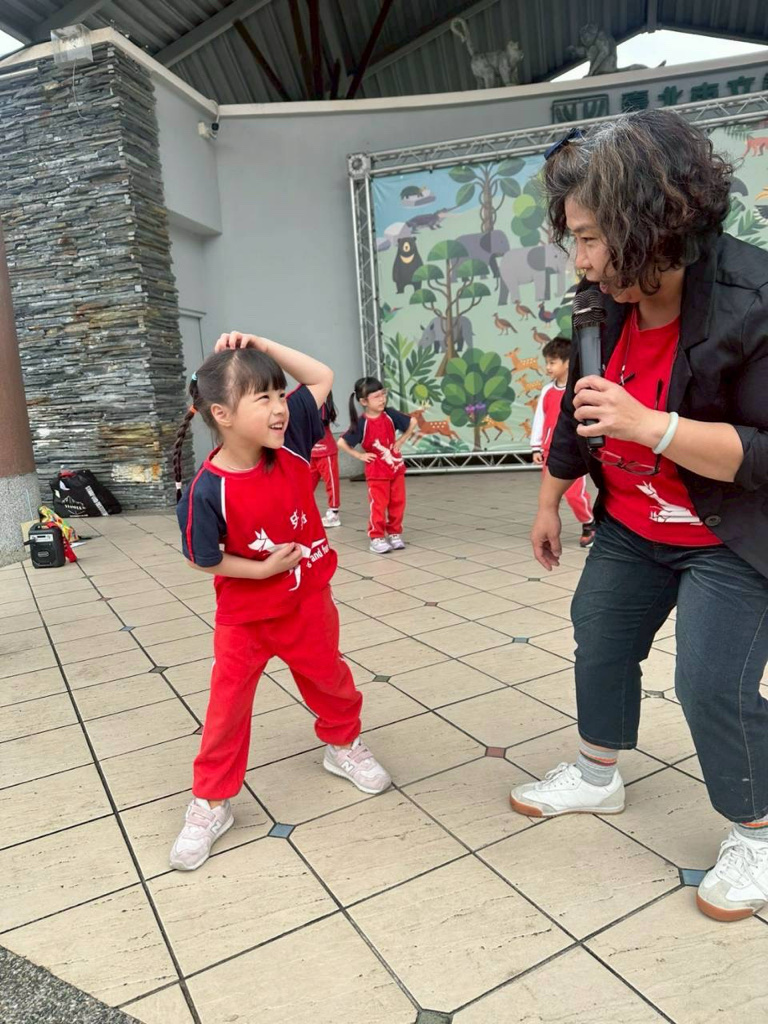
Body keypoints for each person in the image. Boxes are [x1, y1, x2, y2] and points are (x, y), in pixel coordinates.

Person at [510, 109, 768, 922]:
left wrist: (651, 426)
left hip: (728, 532)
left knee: (710, 681)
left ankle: (759, 832)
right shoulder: (604, 298)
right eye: (575, 240)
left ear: (653, 223)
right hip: (630, 521)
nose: (581, 261)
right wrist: (550, 501)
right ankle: (598, 774)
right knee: (600, 630)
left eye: (591, 238)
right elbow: (579, 411)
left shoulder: (753, 300)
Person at [170, 333, 391, 871]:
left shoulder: (289, 442)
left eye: (278, 394)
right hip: (245, 620)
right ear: (222, 414)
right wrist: (261, 570)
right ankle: (212, 802)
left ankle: (343, 745)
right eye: (262, 398)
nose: (278, 408)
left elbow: (321, 377)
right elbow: (203, 558)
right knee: (226, 710)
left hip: (308, 603)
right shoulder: (206, 490)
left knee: (330, 679)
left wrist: (260, 344)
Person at [337, 377, 417, 554]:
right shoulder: (361, 423)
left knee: (398, 502)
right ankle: (376, 537)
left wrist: (401, 440)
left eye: (383, 394)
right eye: (376, 396)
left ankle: (395, 533)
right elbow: (342, 442)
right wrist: (360, 455)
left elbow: (412, 422)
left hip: (396, 468)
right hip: (376, 472)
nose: (382, 399)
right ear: (364, 402)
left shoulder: (390, 414)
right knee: (379, 505)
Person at [531, 336, 596, 547]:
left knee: (574, 494)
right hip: (548, 452)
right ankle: (548, 531)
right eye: (547, 362)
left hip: (571, 452)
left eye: (553, 362)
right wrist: (536, 447)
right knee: (549, 496)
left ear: (568, 362)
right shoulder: (547, 391)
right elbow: (539, 419)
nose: (548, 367)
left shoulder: (578, 390)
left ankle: (590, 523)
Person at [310, 390, 341, 528]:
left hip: (326, 451)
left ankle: (334, 513)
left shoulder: (322, 404)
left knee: (331, 483)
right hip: (311, 452)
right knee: (306, 484)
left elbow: (318, 422)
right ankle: (302, 511)